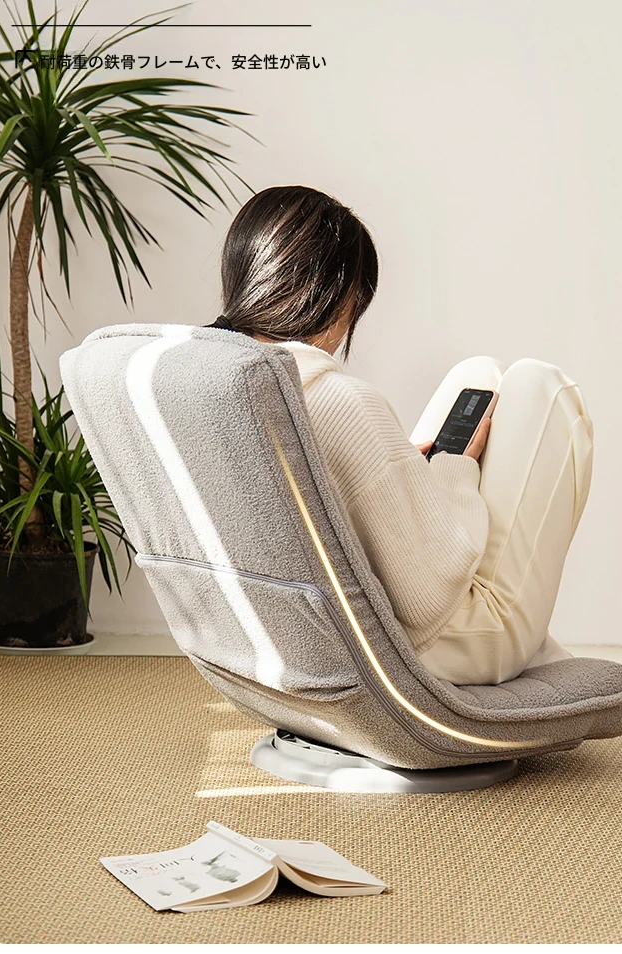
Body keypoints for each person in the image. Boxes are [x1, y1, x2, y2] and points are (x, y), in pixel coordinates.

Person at [210, 185, 593, 687]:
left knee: (479, 373)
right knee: (543, 387)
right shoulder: (342, 404)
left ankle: (555, 670)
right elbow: (431, 597)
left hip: (295, 635)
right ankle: (540, 664)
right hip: (430, 644)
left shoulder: (213, 389)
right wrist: (453, 473)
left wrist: (397, 480)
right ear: (339, 296)